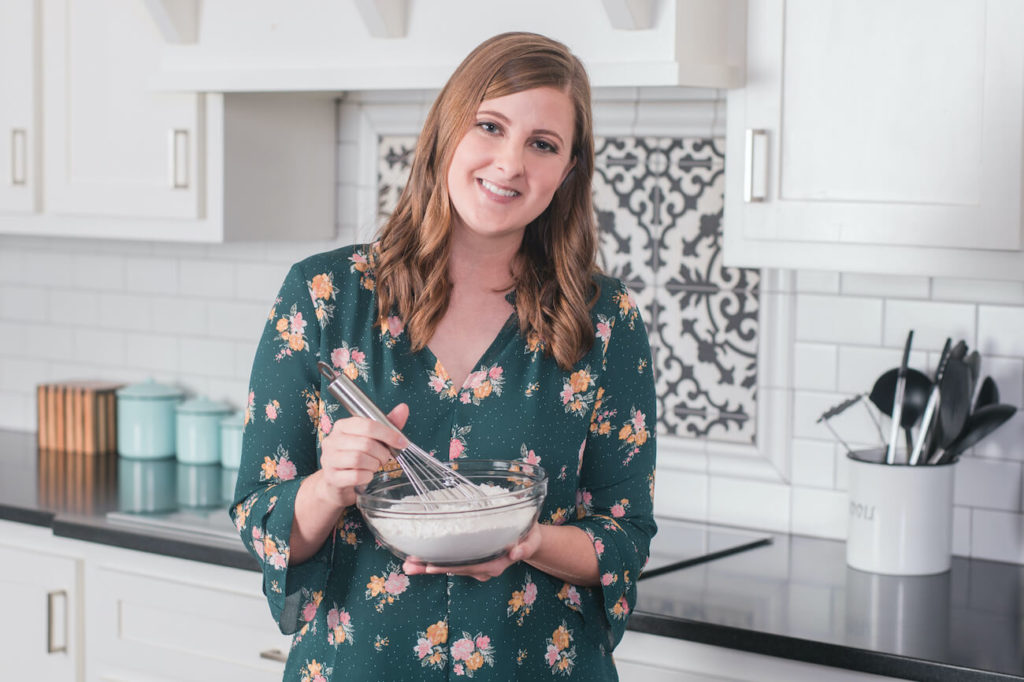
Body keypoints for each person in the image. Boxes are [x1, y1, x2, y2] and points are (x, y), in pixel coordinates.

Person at [231, 31, 657, 681]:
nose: (510, 163)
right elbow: (262, 520)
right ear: (445, 131)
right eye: (490, 126)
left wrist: (531, 541)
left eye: (542, 144)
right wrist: (329, 485)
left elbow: (624, 538)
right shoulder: (323, 297)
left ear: (567, 172)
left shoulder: (605, 321)